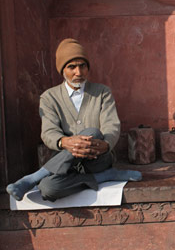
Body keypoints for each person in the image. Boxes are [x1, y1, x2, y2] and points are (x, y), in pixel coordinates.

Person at [7, 38, 142, 202]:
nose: (78, 72)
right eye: (72, 67)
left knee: (93, 132)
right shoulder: (49, 97)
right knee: (48, 188)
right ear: (62, 70)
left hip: (97, 158)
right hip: (67, 166)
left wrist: (106, 144)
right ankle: (105, 176)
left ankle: (35, 177)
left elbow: (111, 125)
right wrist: (65, 142)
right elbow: (49, 131)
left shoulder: (102, 92)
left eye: (82, 66)